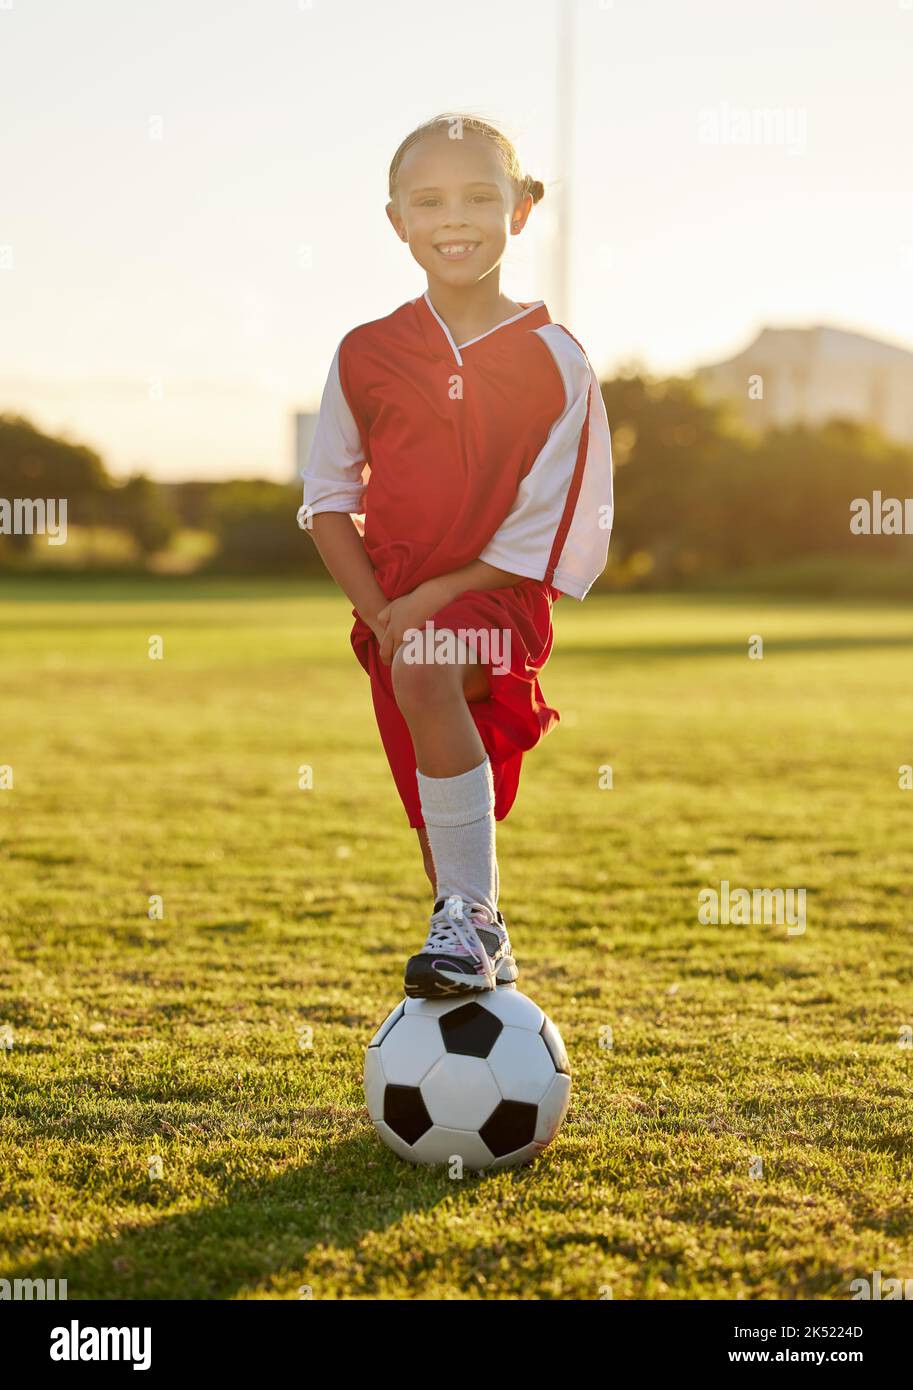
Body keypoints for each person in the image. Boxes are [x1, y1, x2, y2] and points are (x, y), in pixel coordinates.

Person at [298, 112, 613, 1000]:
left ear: (521, 209)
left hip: (494, 603)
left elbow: (550, 526)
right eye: (428, 200)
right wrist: (381, 610)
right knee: (433, 804)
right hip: (389, 611)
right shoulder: (364, 353)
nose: (455, 217)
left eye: (480, 195)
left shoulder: (558, 361)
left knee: (433, 669)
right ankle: (466, 934)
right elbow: (327, 501)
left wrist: (432, 600)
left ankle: (475, 918)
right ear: (395, 219)